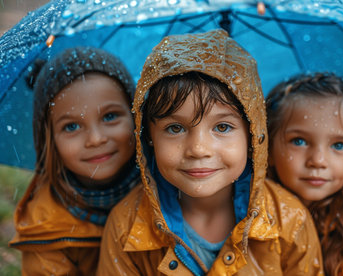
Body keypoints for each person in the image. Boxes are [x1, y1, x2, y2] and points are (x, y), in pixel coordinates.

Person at [97, 29, 323, 275]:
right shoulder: (125, 227)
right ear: (148, 137)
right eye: (175, 128)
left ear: (252, 134)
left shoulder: (290, 220)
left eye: (222, 127)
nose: (198, 149)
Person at [9, 46, 140, 275]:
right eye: (72, 126)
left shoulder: (170, 189)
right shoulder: (46, 234)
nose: (96, 139)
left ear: (135, 116)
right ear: (49, 141)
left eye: (109, 116)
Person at [266, 73, 343, 276]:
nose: (318, 160)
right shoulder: (247, 213)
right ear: (267, 148)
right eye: (299, 141)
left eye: (339, 145)